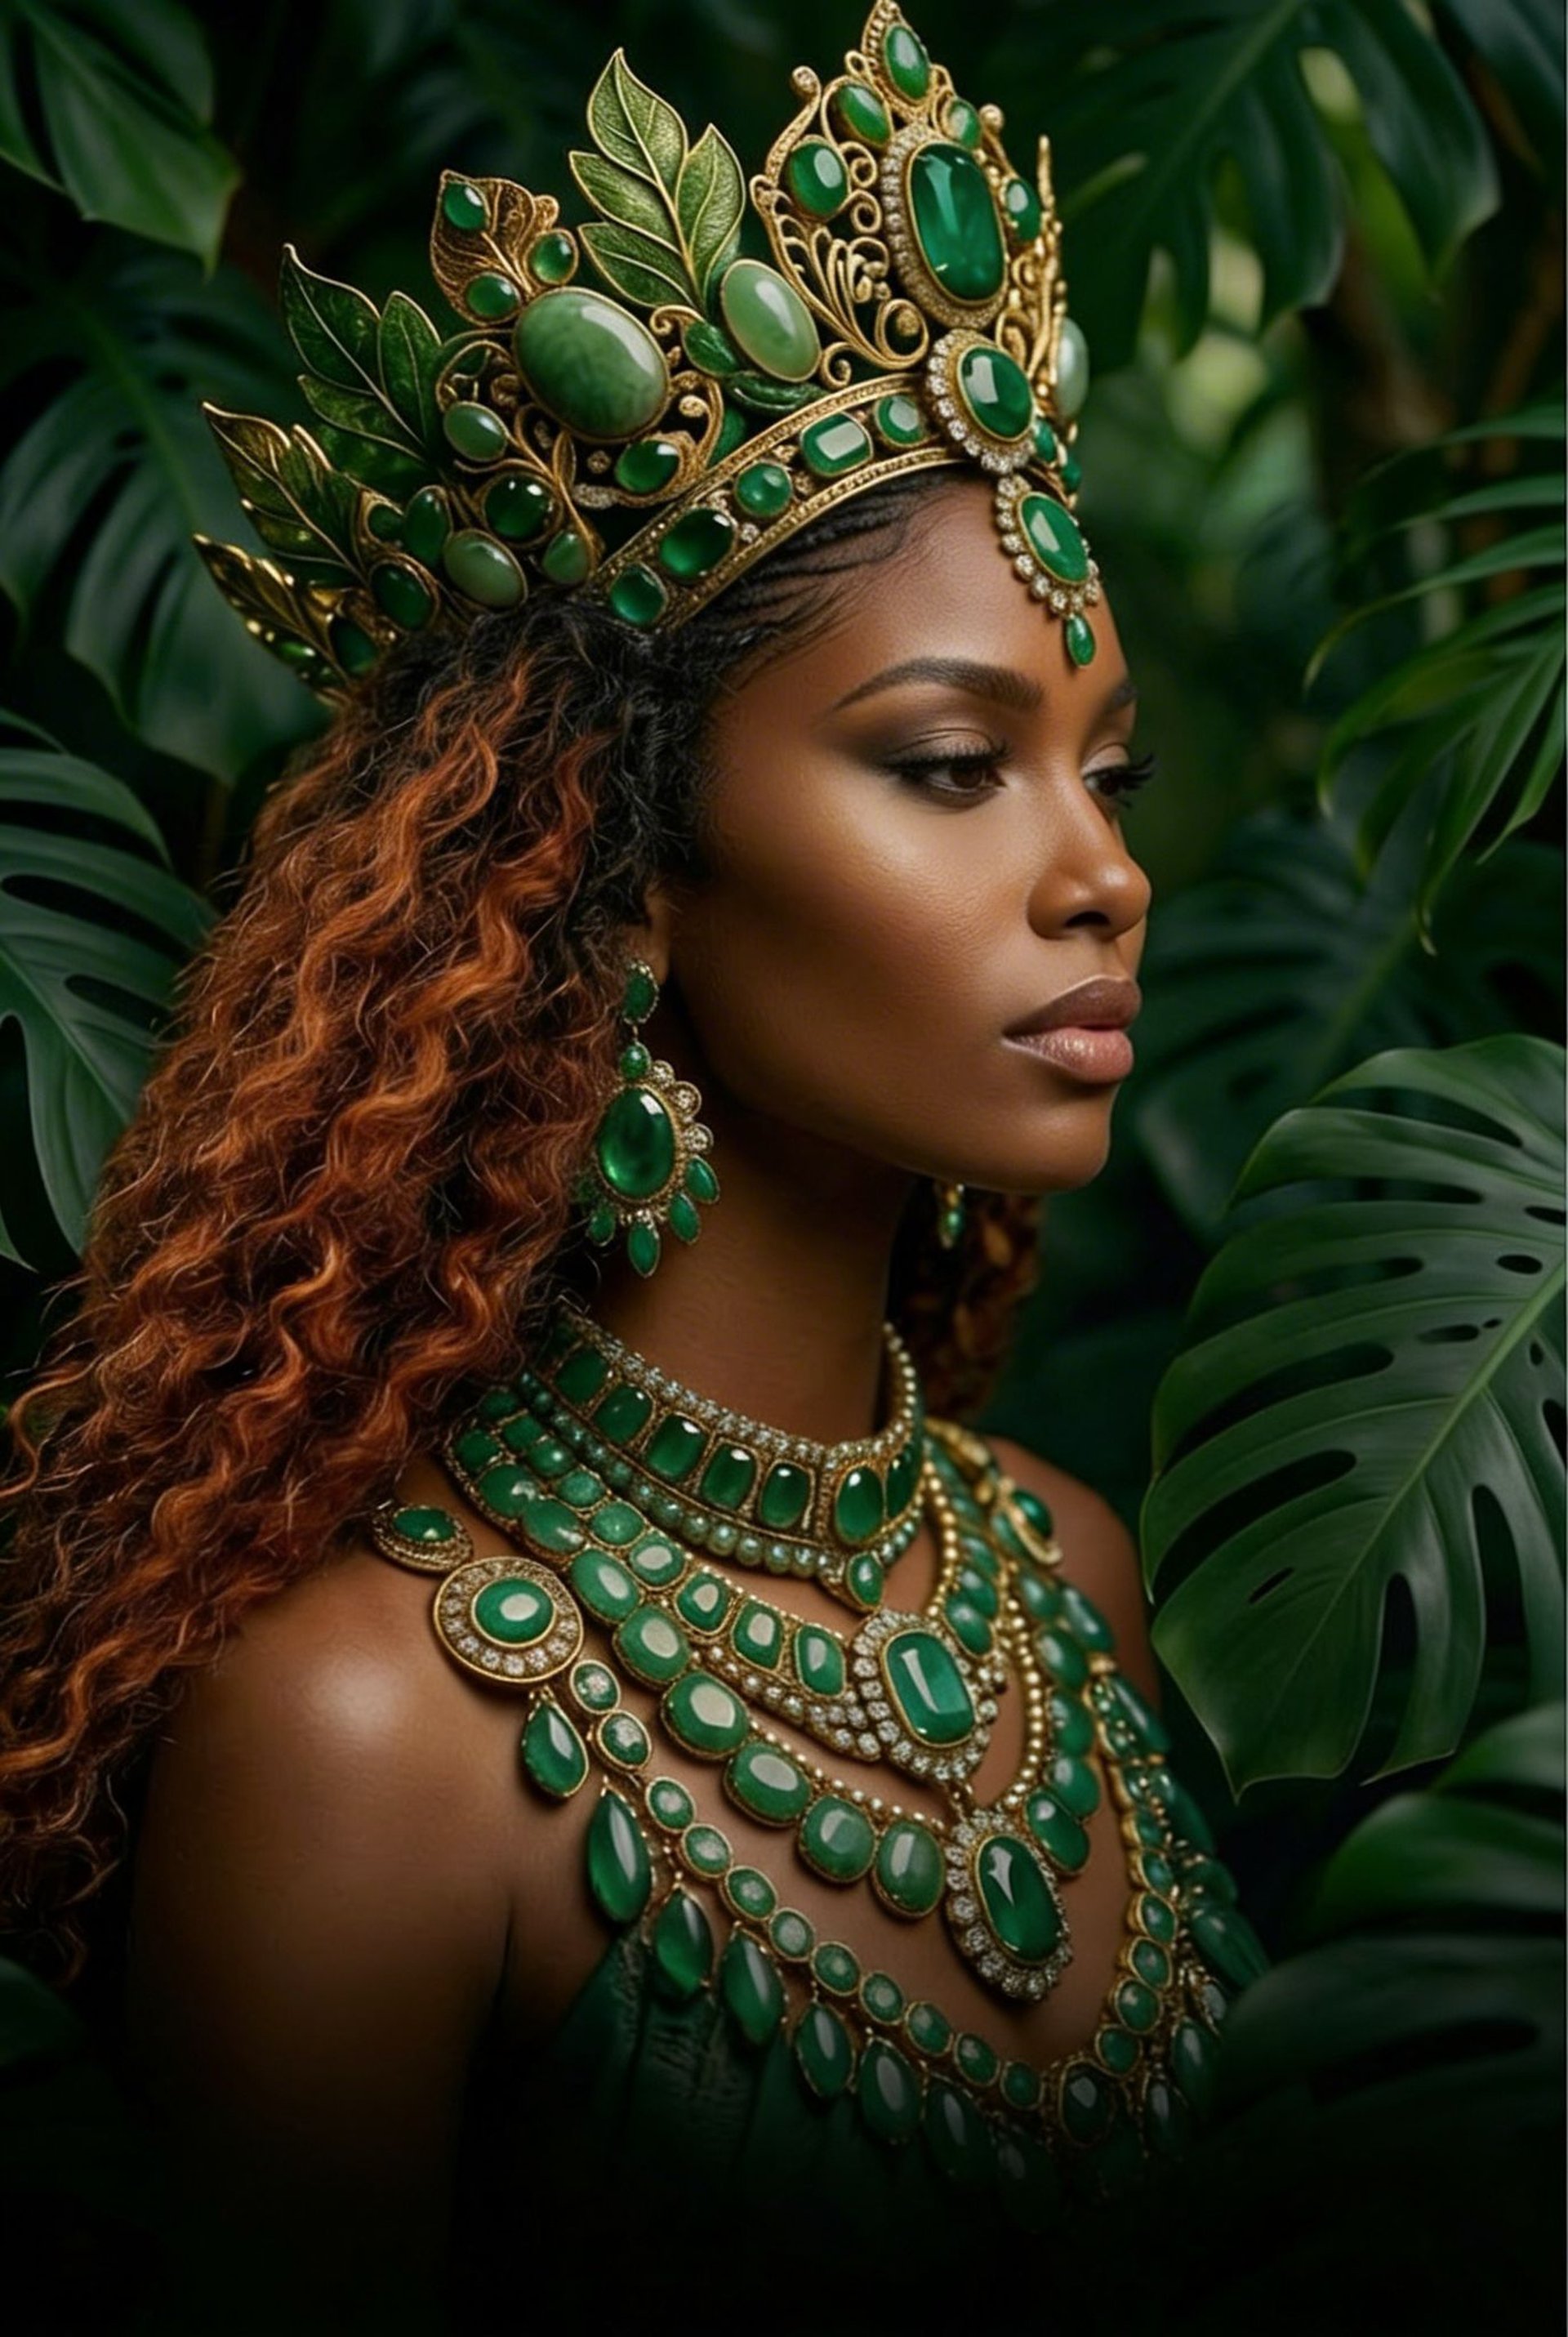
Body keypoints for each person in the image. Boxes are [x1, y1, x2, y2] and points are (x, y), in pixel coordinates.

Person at [0, 8, 1263, 2329]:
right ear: (627, 873)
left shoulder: (1070, 1582)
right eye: (953, 765)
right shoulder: (367, 1738)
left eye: (1112, 770)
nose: (1108, 876)